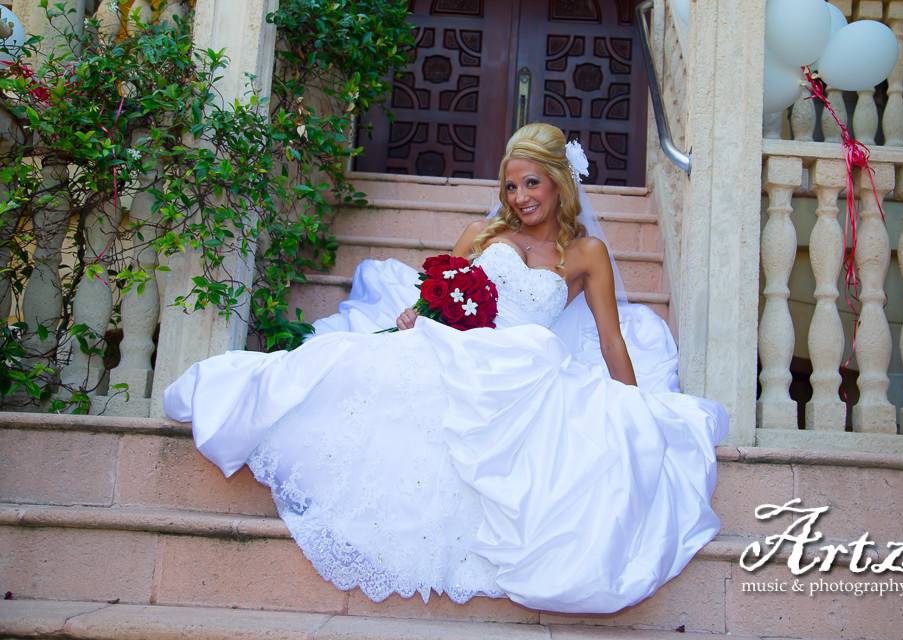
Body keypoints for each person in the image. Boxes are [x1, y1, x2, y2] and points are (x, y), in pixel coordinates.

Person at [163, 122, 729, 615]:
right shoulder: (481, 235)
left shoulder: (585, 255)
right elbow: (436, 295)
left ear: (559, 181)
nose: (521, 196)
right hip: (459, 349)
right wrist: (418, 313)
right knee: (351, 364)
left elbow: (609, 337)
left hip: (524, 367)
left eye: (533, 182)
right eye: (511, 185)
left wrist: (632, 403)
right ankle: (248, 401)